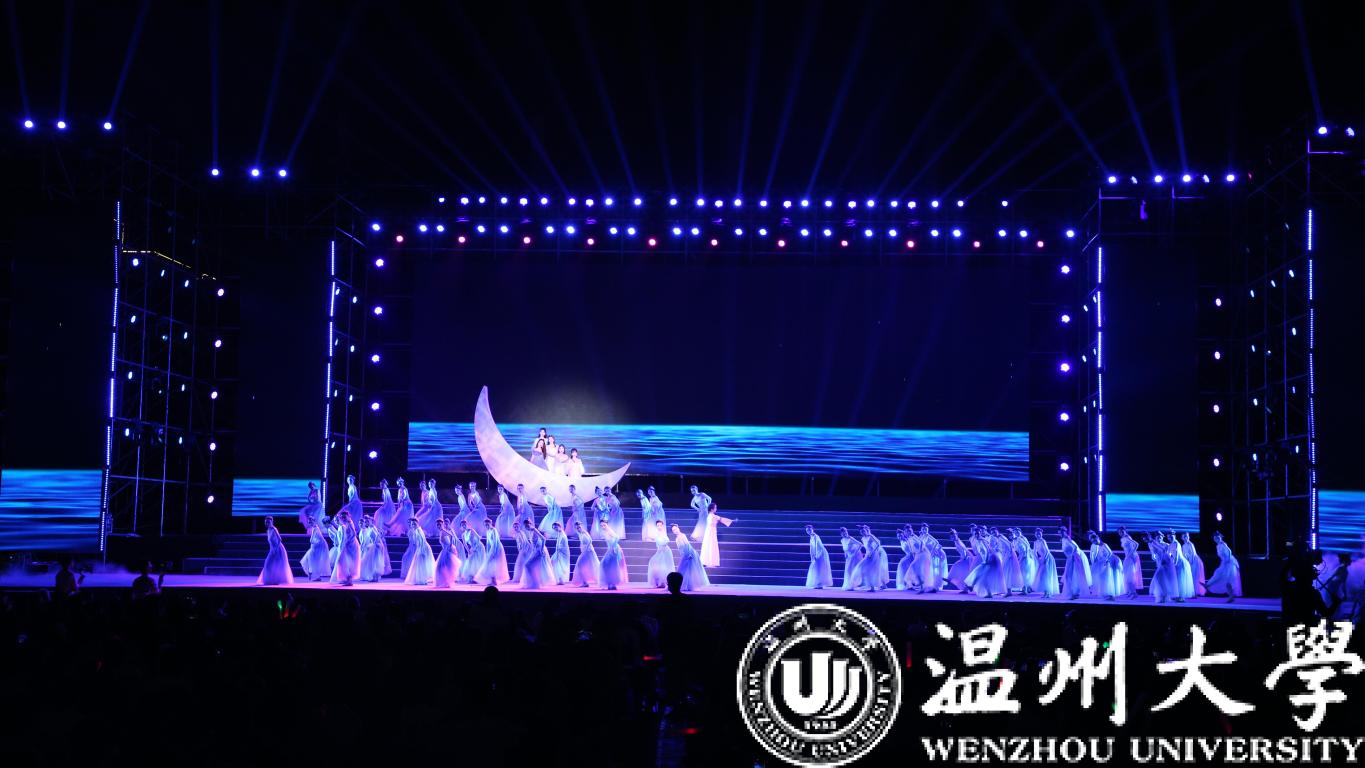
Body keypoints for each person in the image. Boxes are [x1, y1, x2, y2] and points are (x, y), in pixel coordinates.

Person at [1204, 531, 1242, 602]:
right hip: (1225, 562)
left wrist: (1228, 560)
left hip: (1229, 563)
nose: (1216, 539)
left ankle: (1208, 585)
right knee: (1220, 575)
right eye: (1215, 538)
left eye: (1217, 538)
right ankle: (1208, 585)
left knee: (1227, 579)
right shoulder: (1217, 546)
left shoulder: (1223, 544)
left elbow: (1229, 551)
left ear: (1220, 537)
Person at [516, 521, 555, 589]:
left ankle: (535, 583)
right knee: (530, 566)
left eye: (528, 526)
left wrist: (541, 549)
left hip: (539, 551)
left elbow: (543, 539)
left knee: (527, 565)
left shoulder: (534, 530)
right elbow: (533, 544)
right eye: (525, 526)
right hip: (535, 551)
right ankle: (533, 583)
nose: (527, 527)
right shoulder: (529, 532)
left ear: (530, 524)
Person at [672, 523, 710, 591]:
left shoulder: (682, 535)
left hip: (689, 553)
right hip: (685, 554)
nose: (675, 531)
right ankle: (683, 585)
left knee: (689, 569)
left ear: (678, 528)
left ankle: (688, 585)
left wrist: (689, 554)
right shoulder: (677, 538)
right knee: (684, 569)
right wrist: (683, 555)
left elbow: (687, 545)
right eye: (673, 530)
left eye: (676, 529)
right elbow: (680, 548)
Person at [329, 511, 361, 586]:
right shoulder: (344, 524)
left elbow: (353, 534)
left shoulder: (349, 523)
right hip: (347, 544)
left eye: (344, 517)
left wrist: (346, 542)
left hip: (351, 545)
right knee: (345, 561)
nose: (343, 518)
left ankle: (349, 580)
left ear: (348, 516)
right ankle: (346, 578)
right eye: (342, 517)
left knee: (349, 561)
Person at [698, 502, 735, 568]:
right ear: (712, 509)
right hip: (711, 532)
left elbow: (720, 519)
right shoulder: (713, 516)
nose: (716, 509)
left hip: (709, 532)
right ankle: (711, 562)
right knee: (711, 545)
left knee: (707, 545)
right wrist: (732, 521)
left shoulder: (709, 516)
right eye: (715, 508)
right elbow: (722, 519)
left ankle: (705, 561)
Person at [1086, 530, 1120, 601]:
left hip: (1105, 565)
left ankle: (1109, 594)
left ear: (1097, 538)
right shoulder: (1097, 546)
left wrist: (1107, 560)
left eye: (1095, 541)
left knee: (1106, 579)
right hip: (1101, 564)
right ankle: (1104, 594)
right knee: (1102, 579)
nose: (1095, 542)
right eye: (1093, 542)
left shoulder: (1104, 545)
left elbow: (1110, 553)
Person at [476, 518, 510, 586]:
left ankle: (494, 580)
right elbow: (488, 543)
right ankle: (493, 580)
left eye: (487, 524)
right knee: (491, 564)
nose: (487, 526)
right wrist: (487, 551)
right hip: (492, 548)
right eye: (485, 525)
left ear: (490, 523)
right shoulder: (488, 531)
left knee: (493, 563)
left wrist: (494, 552)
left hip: (497, 548)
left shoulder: (494, 530)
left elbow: (495, 542)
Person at [403, 517, 436, 586]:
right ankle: (421, 579)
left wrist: (422, 551)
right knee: (419, 563)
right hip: (420, 548)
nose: (413, 525)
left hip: (423, 548)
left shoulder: (418, 530)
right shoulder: (415, 531)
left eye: (414, 524)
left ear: (417, 523)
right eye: (412, 524)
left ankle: (423, 579)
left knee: (422, 563)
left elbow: (422, 541)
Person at [599, 519, 627, 590]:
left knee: (610, 566)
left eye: (604, 525)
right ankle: (610, 583)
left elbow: (617, 537)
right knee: (606, 565)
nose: (603, 527)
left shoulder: (609, 531)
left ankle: (612, 583)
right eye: (601, 526)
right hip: (610, 549)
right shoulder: (605, 532)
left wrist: (613, 547)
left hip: (614, 549)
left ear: (607, 524)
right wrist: (610, 548)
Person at [433, 518, 462, 588]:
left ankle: (446, 582)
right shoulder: (441, 532)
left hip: (447, 550)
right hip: (445, 550)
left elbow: (451, 536)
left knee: (443, 567)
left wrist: (450, 546)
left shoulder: (443, 531)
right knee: (443, 567)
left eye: (440, 524)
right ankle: (445, 582)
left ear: (442, 524)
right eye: (437, 525)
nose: (438, 526)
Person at [571, 520, 601, 587]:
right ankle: (584, 582)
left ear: (582, 527)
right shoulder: (580, 534)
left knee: (582, 564)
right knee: (582, 565)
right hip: (584, 552)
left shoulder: (584, 533)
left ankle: (586, 582)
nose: (578, 529)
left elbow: (590, 541)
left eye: (579, 527)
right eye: (577, 528)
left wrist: (586, 550)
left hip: (588, 552)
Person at [1031, 528, 1060, 597]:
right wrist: (1037, 559)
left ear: (1041, 534)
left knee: (1047, 575)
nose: (1038, 535)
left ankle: (1048, 592)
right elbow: (1034, 552)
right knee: (1043, 575)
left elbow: (1047, 551)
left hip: (1048, 558)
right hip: (1042, 559)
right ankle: (1046, 592)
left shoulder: (1043, 541)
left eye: (1039, 534)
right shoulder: (1035, 542)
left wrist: (1044, 559)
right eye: (1037, 534)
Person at [359, 516, 388, 582]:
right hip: (373, 546)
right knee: (372, 561)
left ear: (371, 521)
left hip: (375, 546)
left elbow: (377, 537)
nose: (366, 523)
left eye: (367, 521)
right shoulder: (369, 528)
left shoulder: (372, 528)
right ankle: (374, 577)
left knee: (375, 561)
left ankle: (375, 577)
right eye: (365, 521)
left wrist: (375, 545)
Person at [647, 520, 676, 588]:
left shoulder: (663, 533)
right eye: (658, 525)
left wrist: (662, 546)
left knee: (665, 566)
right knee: (655, 564)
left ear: (662, 526)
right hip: (660, 551)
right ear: (656, 526)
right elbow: (658, 543)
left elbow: (666, 541)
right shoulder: (656, 533)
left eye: (660, 525)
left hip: (666, 551)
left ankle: (666, 582)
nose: (659, 526)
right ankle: (660, 582)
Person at [1118, 527, 1144, 599]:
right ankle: (1130, 592)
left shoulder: (1127, 537)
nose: (1121, 533)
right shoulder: (1122, 539)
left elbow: (1136, 544)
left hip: (1132, 557)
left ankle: (1134, 593)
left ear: (1125, 531)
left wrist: (1130, 554)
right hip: (1128, 557)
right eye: (1119, 532)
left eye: (1122, 531)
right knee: (1127, 575)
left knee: (1130, 575)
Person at [1180, 531, 1206, 597]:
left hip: (1194, 561)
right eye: (1184, 537)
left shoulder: (1190, 544)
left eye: (1186, 536)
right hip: (1188, 561)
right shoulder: (1183, 546)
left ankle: (1196, 592)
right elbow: (1183, 555)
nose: (1185, 538)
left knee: (1194, 576)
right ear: (1182, 538)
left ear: (1188, 537)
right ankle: (1191, 591)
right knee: (1191, 576)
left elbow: (1193, 554)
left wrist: (1190, 562)